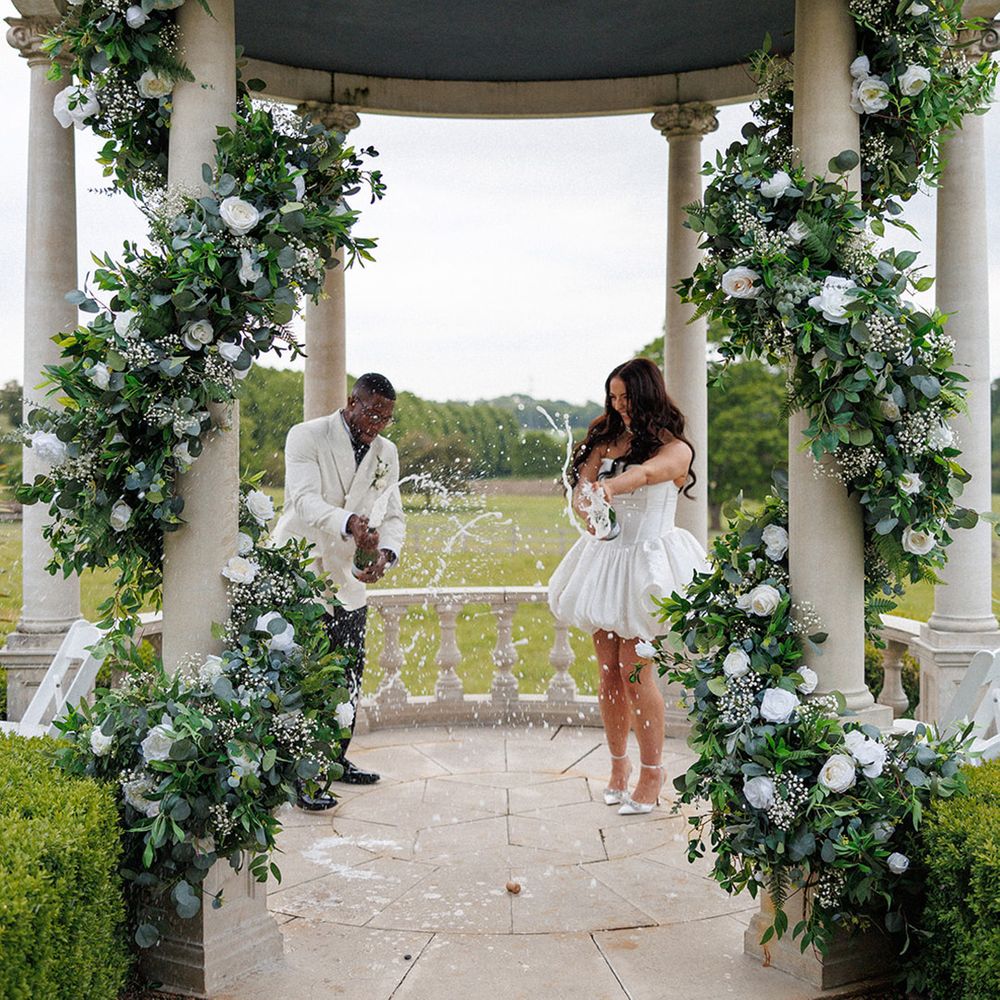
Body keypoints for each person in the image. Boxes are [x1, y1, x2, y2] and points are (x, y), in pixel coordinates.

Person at [548, 358, 706, 815]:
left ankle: (652, 773)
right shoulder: (606, 439)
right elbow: (582, 485)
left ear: (647, 395)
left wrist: (611, 487)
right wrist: (585, 500)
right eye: (613, 398)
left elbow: (648, 475)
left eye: (626, 398)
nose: (619, 407)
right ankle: (618, 767)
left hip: (647, 565)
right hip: (606, 561)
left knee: (636, 671)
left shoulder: (675, 448)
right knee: (608, 671)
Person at [273, 373, 405, 810]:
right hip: (303, 569)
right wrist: (349, 522)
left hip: (348, 581)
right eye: (372, 413)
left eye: (386, 418)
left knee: (348, 673)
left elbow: (395, 516)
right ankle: (302, 777)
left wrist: (385, 553)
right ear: (353, 401)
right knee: (306, 676)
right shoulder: (307, 436)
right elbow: (304, 502)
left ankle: (336, 759)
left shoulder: (387, 453)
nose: (377, 425)